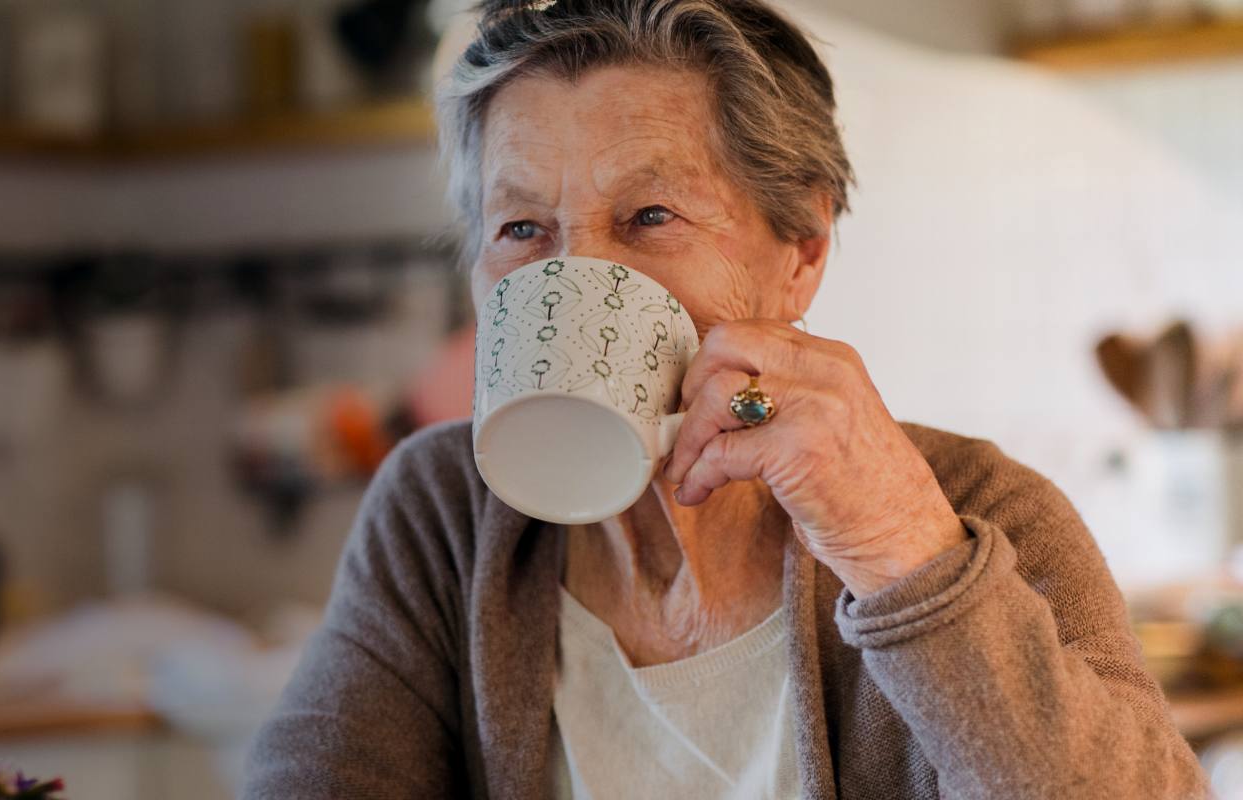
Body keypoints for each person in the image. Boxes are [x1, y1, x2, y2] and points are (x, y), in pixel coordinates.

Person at [242, 1, 1208, 797]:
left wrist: (899, 547)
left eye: (649, 216)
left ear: (802, 252)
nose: (578, 274)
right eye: (523, 227)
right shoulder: (444, 516)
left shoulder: (976, 514)